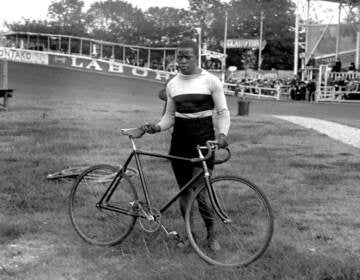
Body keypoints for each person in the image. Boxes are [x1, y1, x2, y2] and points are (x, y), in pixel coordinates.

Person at [140, 39, 230, 251]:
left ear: (197, 57)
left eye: (187, 57)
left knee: (200, 191)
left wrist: (223, 134)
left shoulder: (211, 81)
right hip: (179, 142)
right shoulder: (173, 84)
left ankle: (211, 236)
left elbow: (223, 112)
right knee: (184, 192)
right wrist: (156, 127)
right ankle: (191, 237)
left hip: (204, 141)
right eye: (178, 56)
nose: (181, 61)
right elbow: (169, 117)